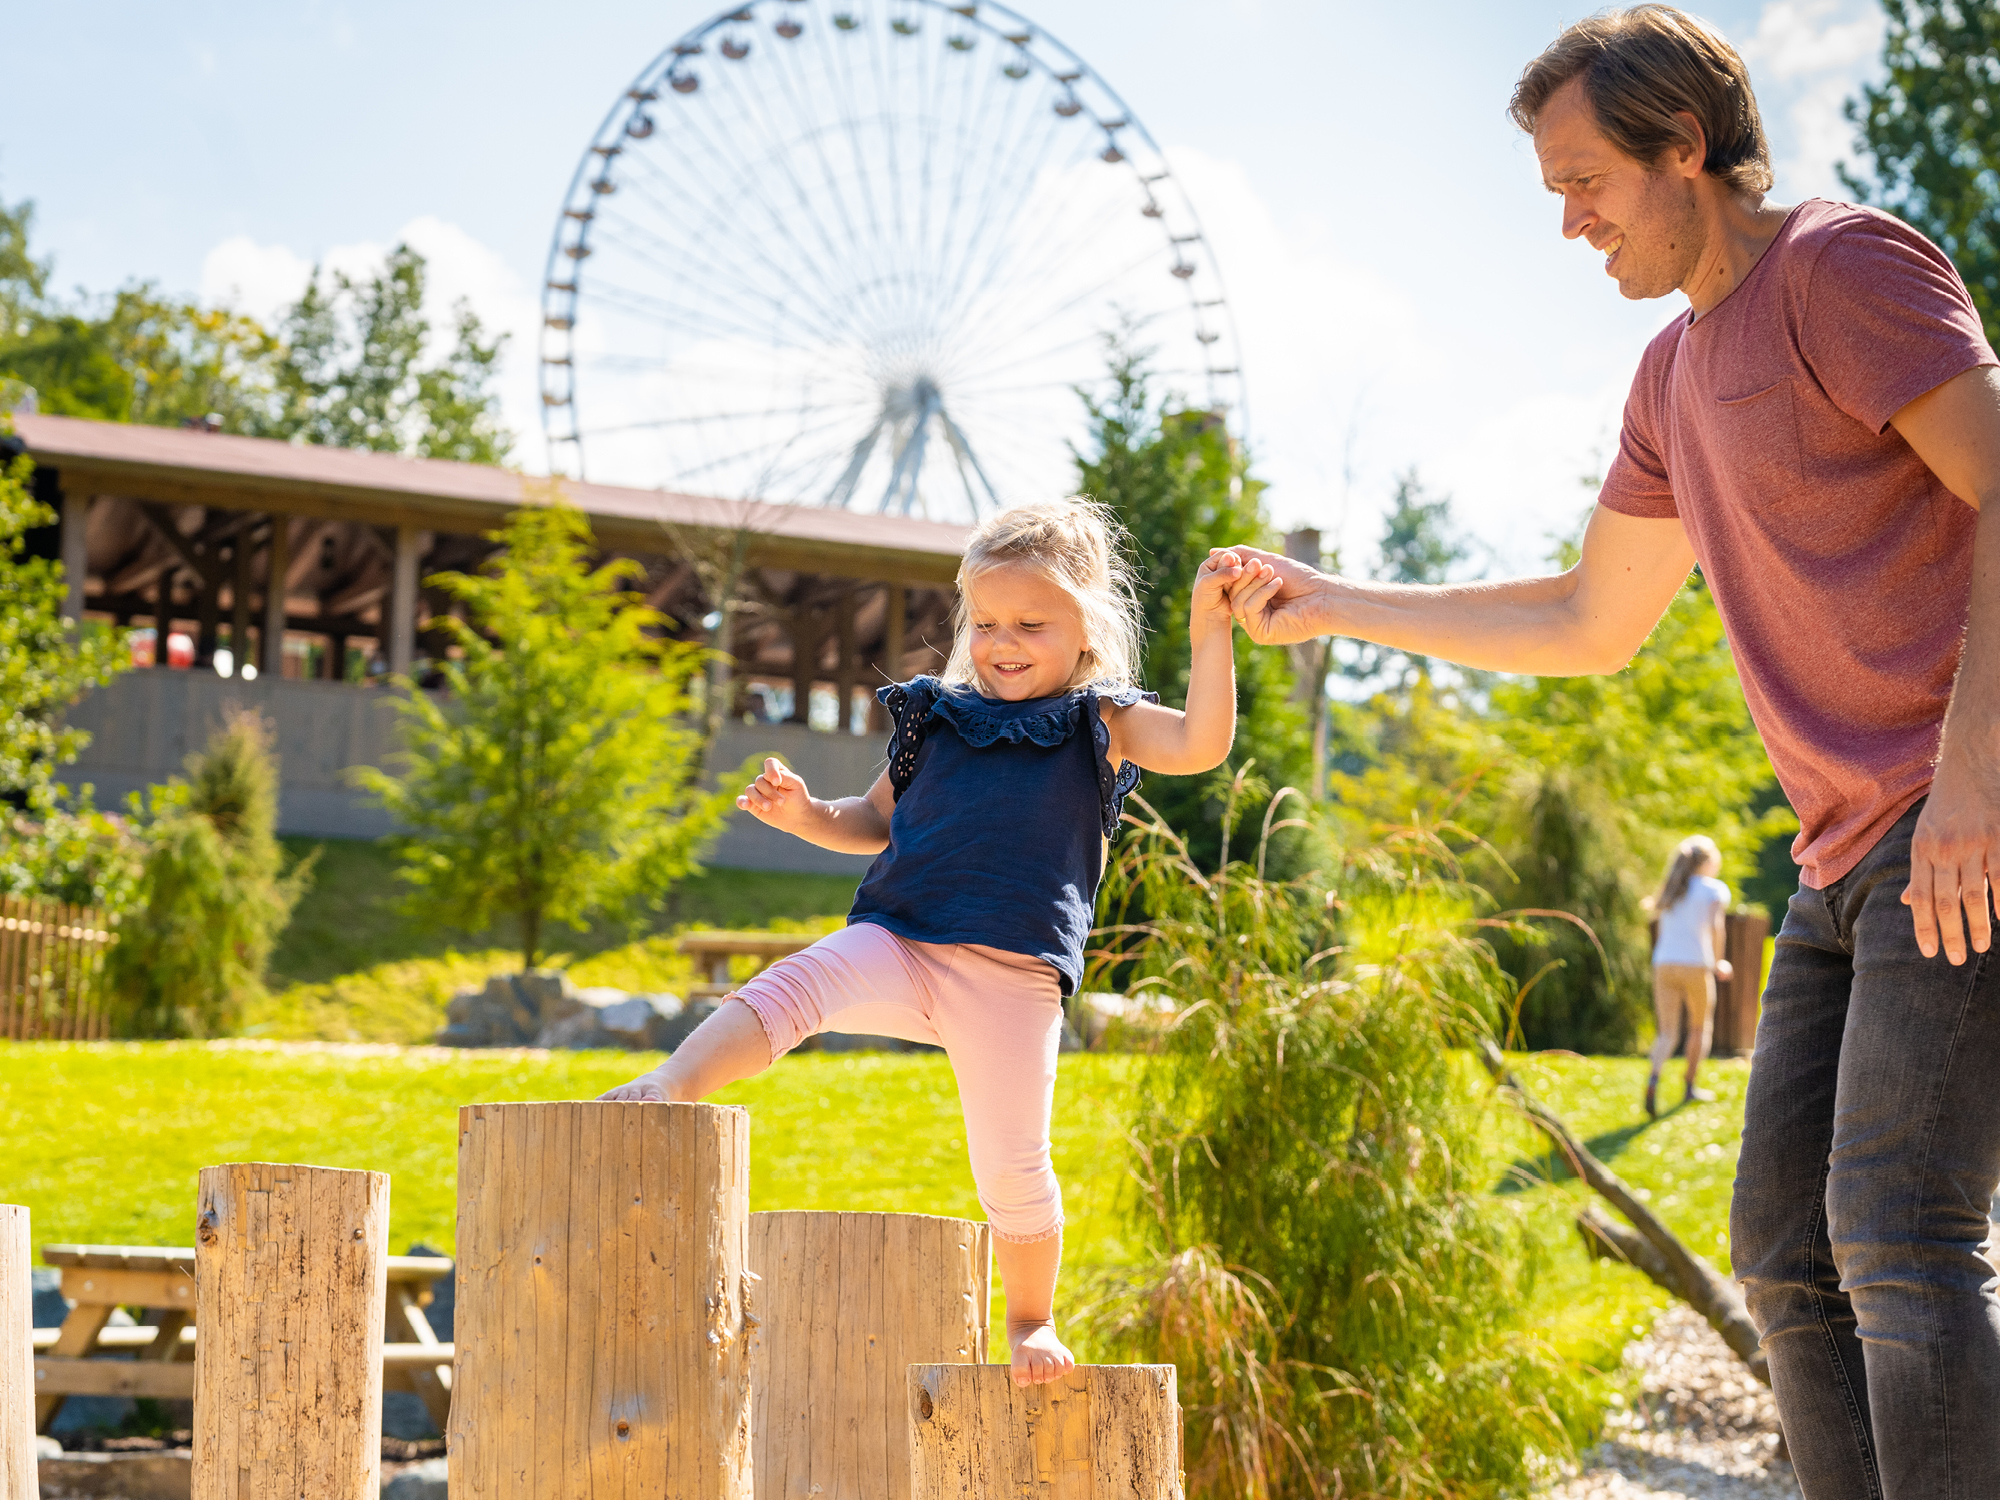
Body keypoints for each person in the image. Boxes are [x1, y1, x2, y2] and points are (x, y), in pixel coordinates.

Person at [1214, 7, 2000, 1493]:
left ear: (1684, 148)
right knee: (1785, 1247)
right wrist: (1332, 605)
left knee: (1898, 1230)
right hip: (1839, 858)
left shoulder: (1845, 269)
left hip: (1953, 819)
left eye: (1586, 184)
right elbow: (1590, 616)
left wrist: (1975, 785)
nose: (1569, 225)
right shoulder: (1672, 379)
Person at [601, 497, 1247, 1387]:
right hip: (899, 938)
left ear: (1088, 632)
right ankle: (670, 1084)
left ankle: (1030, 1320)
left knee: (1015, 1166)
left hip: (1012, 979)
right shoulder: (937, 718)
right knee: (795, 983)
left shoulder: (1102, 721)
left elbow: (1203, 744)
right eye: (985, 622)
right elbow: (870, 820)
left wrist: (1211, 633)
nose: (1002, 641)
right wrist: (802, 816)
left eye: (1030, 623)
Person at [1643, 834, 1734, 1119]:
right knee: (1699, 1027)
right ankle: (1689, 1086)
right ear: (1706, 862)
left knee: (1667, 1032)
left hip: (1664, 963)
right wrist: (1719, 961)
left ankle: (1654, 1078)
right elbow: (1716, 928)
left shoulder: (1671, 890)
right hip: (1696, 964)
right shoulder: (1714, 890)